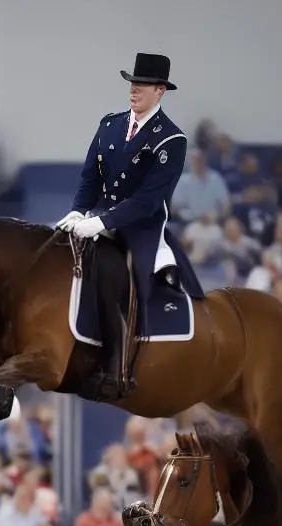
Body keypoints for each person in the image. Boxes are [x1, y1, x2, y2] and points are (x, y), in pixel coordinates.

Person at [54, 53, 204, 399]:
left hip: (139, 227)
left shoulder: (171, 140)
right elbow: (90, 175)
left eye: (142, 84)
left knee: (111, 275)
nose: (134, 89)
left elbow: (148, 201)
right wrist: (78, 211)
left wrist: (103, 221)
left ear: (160, 90)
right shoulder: (109, 124)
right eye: (132, 83)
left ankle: (116, 366)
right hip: (96, 219)